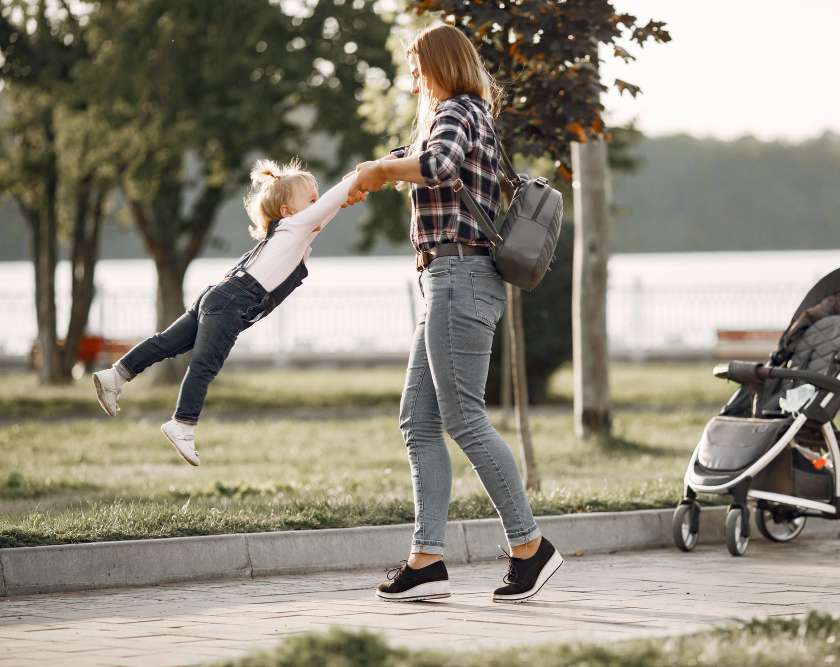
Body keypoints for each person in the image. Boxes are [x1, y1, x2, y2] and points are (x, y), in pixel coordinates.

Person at [345, 24, 562, 605]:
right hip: (450, 279)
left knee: (463, 419)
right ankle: (426, 559)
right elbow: (427, 160)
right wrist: (375, 169)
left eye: (416, 66)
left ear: (439, 64)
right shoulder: (471, 113)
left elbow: (436, 165)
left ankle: (529, 546)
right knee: (418, 422)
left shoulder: (454, 111)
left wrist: (382, 171)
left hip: (460, 278)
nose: (412, 78)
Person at [93, 160, 356, 466]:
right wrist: (360, 179)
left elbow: (330, 207)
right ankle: (183, 423)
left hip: (218, 294)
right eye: (311, 198)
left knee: (166, 343)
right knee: (204, 365)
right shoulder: (294, 228)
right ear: (288, 211)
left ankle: (116, 375)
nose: (318, 201)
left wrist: (357, 184)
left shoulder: (288, 233)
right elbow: (329, 205)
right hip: (232, 303)